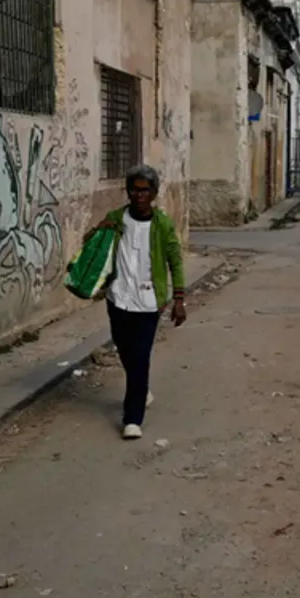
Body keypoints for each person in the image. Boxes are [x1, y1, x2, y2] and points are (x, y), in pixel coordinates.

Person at [88, 165, 186, 440]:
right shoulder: (116, 218)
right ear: (128, 192)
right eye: (134, 190)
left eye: (145, 190)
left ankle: (132, 418)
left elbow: (175, 261)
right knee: (124, 350)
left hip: (148, 301)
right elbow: (91, 247)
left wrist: (179, 298)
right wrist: (98, 231)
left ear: (154, 193)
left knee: (140, 357)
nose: (139, 195)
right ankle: (141, 390)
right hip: (118, 298)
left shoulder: (163, 225)